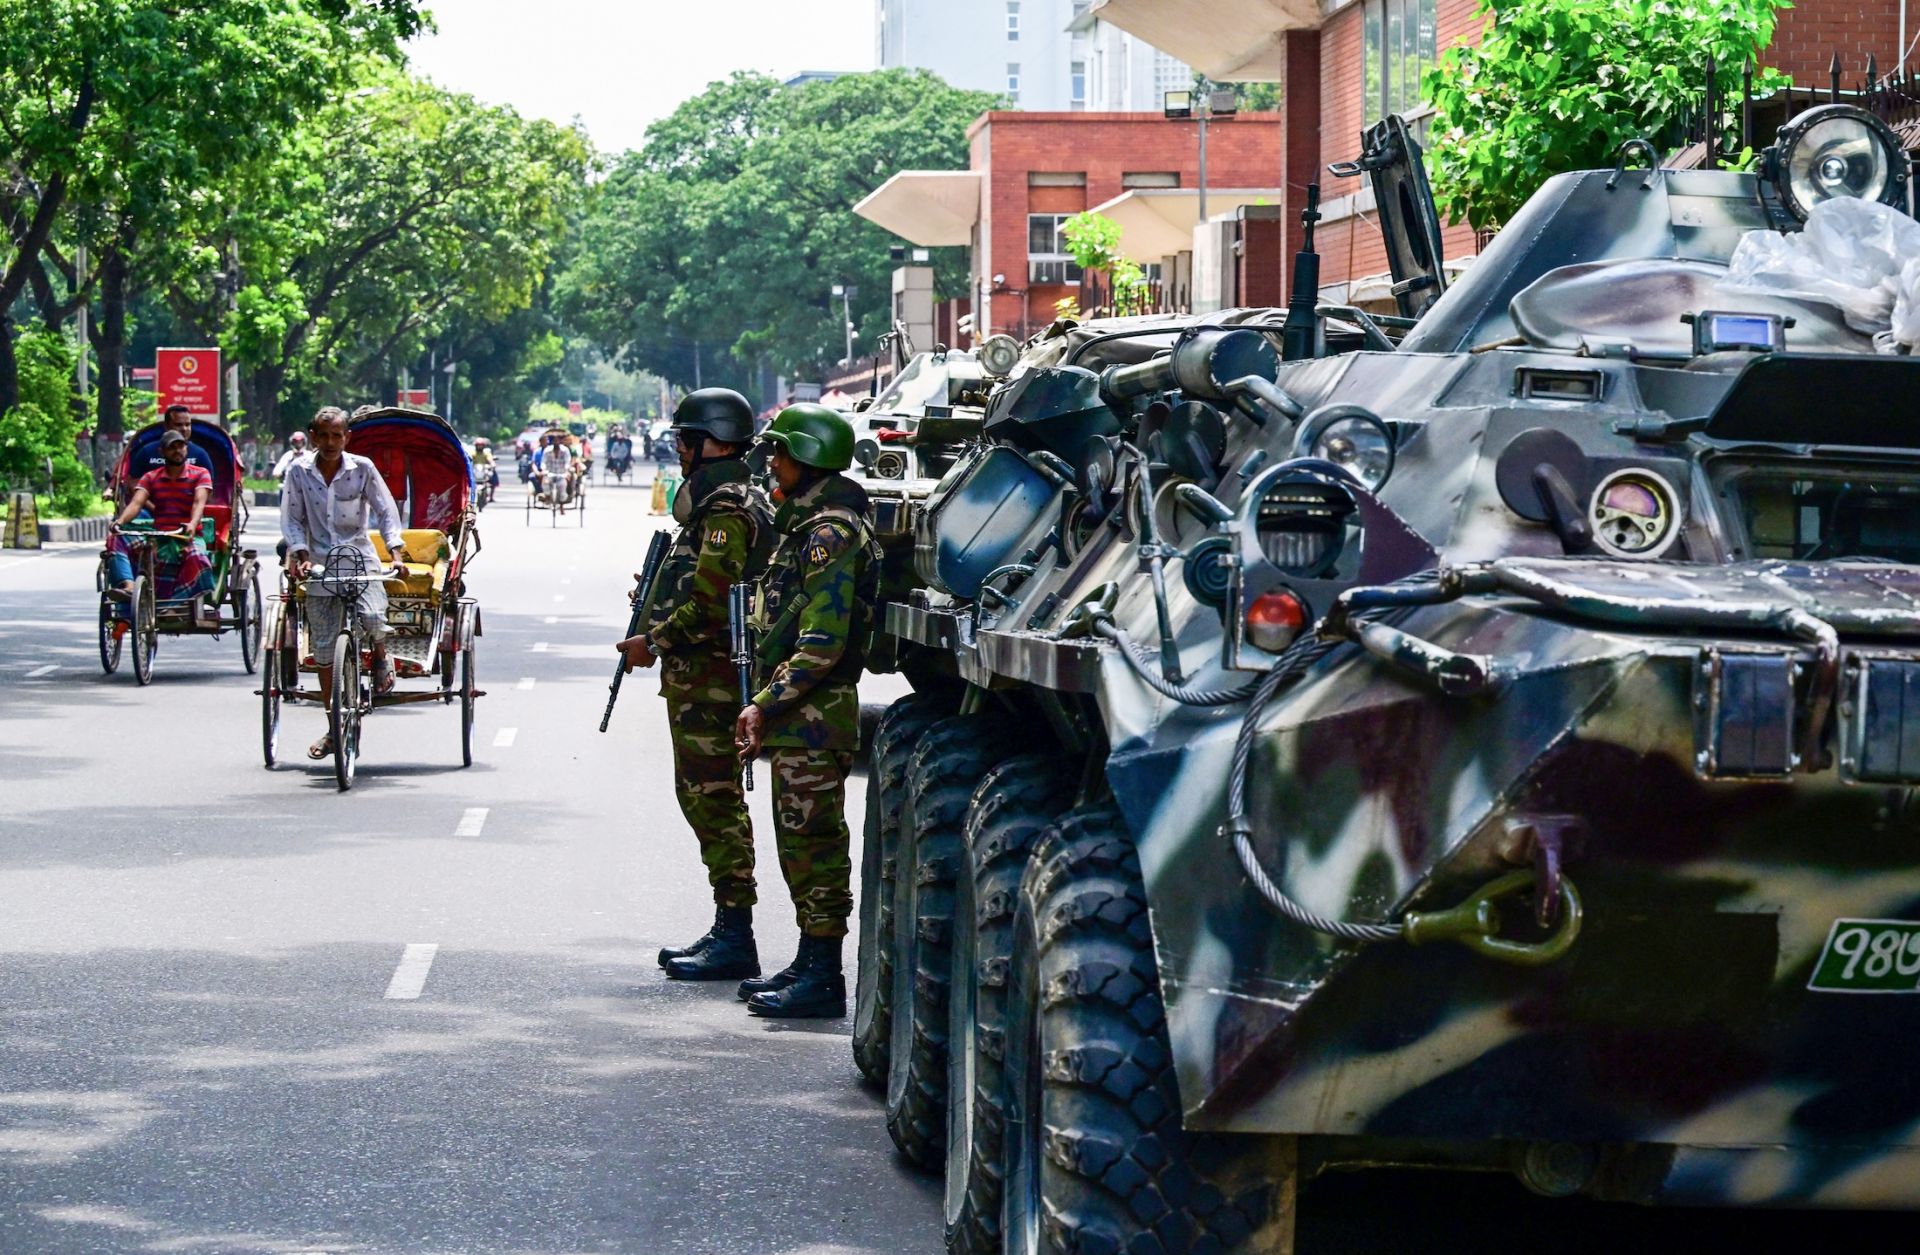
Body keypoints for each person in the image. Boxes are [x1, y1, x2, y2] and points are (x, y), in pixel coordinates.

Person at [616, 388, 772, 984]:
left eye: (684, 440)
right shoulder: (726, 501)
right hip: (704, 675)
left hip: (709, 677)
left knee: (712, 798)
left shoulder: (725, 508)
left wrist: (652, 641)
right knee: (708, 797)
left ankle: (735, 933)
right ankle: (730, 927)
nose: (679, 451)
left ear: (712, 443)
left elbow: (710, 603)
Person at [731, 403, 878, 1018]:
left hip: (816, 716)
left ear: (808, 457)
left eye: (781, 452)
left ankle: (823, 974)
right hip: (800, 717)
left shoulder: (830, 535)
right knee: (797, 843)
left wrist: (763, 702)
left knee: (815, 844)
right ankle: (808, 961)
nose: (772, 462)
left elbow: (821, 643)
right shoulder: (807, 526)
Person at [281, 406, 408, 761]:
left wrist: (396, 552)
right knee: (323, 649)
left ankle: (381, 657)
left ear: (347, 437)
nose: (331, 442)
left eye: (338, 435)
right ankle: (333, 725)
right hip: (320, 563)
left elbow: (385, 511)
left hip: (360, 557)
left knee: (371, 619)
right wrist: (301, 553)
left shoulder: (362, 468)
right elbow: (291, 518)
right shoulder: (298, 471)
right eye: (324, 435)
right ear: (312, 436)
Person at [105, 429, 214, 613]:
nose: (177, 451)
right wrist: (120, 522)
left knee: (198, 559)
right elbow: (137, 503)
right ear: (162, 452)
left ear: (186, 449)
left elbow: (198, 502)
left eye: (180, 446)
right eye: (172, 448)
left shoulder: (200, 474)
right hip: (160, 535)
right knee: (116, 539)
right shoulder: (151, 477)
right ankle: (128, 586)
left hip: (187, 535)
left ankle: (175, 605)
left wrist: (192, 524)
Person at [540, 429, 573, 511]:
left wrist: (567, 470)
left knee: (562, 487)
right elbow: (543, 462)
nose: (556, 442)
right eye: (554, 440)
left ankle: (561, 504)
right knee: (545, 483)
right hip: (550, 473)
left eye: (558, 440)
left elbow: (567, 462)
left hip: (561, 474)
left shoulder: (565, 450)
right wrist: (543, 469)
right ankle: (547, 497)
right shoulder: (547, 450)